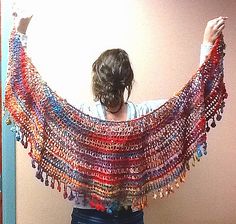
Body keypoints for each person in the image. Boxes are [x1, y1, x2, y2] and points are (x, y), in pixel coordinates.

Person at [9, 14, 227, 224]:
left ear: (97, 81)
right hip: (110, 217)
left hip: (101, 217)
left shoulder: (81, 115)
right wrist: (207, 43)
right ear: (128, 82)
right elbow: (193, 99)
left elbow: (33, 95)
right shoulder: (144, 116)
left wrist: (21, 34)